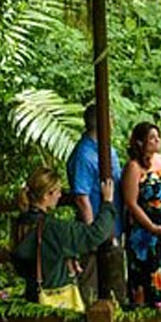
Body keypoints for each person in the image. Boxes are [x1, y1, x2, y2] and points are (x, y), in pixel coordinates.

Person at [11, 168, 117, 307]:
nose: (60, 195)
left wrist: (67, 258)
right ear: (46, 195)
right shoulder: (52, 228)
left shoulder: (20, 223)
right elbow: (95, 234)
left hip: (32, 297)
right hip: (56, 300)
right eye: (57, 191)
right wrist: (107, 203)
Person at [65, 104, 125, 302]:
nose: (113, 122)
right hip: (96, 231)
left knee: (115, 284)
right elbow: (81, 198)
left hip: (112, 228)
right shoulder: (84, 155)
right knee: (93, 287)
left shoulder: (107, 149)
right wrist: (94, 234)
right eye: (110, 118)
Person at [122, 122, 161, 307]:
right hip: (144, 232)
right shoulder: (134, 167)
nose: (157, 141)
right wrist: (152, 227)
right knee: (146, 279)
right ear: (139, 142)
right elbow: (131, 202)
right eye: (152, 138)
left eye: (158, 137)